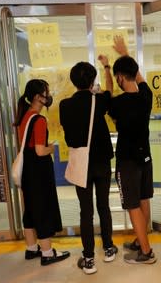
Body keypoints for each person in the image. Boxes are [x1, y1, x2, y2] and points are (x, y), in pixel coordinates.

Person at [59, 61, 117, 274]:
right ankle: (109, 249)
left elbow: (70, 136)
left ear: (73, 82)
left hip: (80, 163)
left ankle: (89, 259)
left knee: (86, 211)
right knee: (104, 206)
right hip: (101, 161)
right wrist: (108, 68)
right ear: (93, 81)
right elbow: (110, 90)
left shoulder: (65, 105)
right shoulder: (99, 101)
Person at [107, 41, 156, 264]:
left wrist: (107, 68)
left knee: (132, 204)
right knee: (144, 199)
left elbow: (107, 97)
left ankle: (146, 252)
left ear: (119, 77)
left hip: (128, 161)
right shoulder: (146, 96)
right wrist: (125, 55)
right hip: (145, 158)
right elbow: (139, 77)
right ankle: (140, 240)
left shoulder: (117, 103)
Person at [14, 78, 70, 266]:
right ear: (38, 97)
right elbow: (39, 150)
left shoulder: (24, 116)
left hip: (27, 171)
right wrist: (51, 148)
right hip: (38, 171)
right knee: (43, 209)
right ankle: (47, 252)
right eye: (46, 92)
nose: (49, 95)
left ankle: (31, 248)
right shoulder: (38, 120)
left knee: (30, 208)